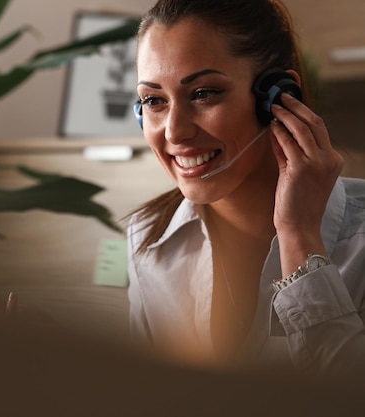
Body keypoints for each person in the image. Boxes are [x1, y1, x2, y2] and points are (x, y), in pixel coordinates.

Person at [128, 0, 365, 374]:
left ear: (280, 96)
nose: (174, 131)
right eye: (153, 100)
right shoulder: (147, 237)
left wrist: (299, 238)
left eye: (204, 93)